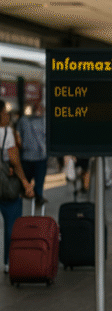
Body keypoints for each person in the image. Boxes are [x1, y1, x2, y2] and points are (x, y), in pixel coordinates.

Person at [1, 100, 35, 273]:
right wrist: (24, 182)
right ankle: (9, 262)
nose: (8, 116)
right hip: (6, 187)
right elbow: (14, 160)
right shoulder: (6, 132)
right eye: (6, 113)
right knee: (12, 225)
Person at [17, 101, 47, 207]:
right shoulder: (24, 120)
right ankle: (24, 195)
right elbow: (18, 135)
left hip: (41, 157)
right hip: (27, 157)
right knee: (25, 182)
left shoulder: (45, 121)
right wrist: (21, 147)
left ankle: (38, 198)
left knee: (39, 182)